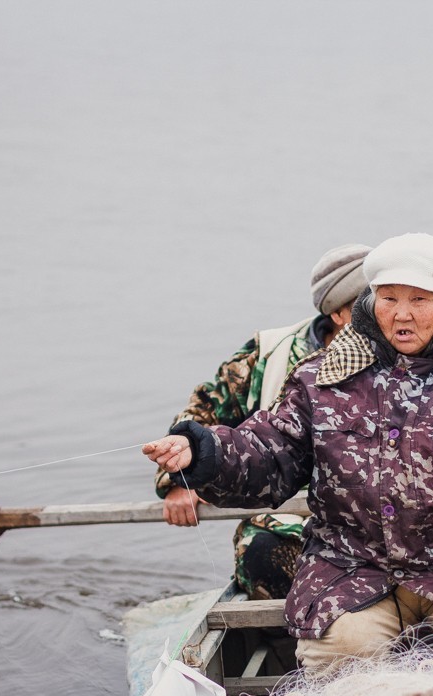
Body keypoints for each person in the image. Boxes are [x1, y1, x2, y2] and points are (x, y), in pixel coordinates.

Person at [143, 233, 433, 674]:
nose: (403, 314)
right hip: (351, 569)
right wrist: (204, 451)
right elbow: (271, 451)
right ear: (369, 303)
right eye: (389, 298)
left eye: (420, 300)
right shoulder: (320, 377)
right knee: (340, 653)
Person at [155, 243, 371, 600]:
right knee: (262, 553)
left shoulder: (413, 353)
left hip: (377, 519)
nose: (389, 313)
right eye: (371, 301)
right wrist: (180, 479)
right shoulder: (271, 351)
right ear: (338, 313)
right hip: (285, 513)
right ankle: (285, 648)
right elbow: (202, 412)